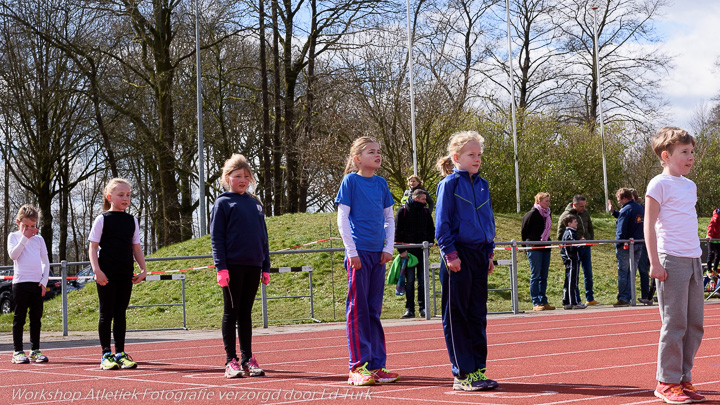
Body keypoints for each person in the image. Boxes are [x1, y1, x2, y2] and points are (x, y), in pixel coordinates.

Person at [644, 127, 705, 403]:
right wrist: (655, 262)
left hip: (694, 259)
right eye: (684, 152)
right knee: (674, 323)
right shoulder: (658, 184)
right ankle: (666, 381)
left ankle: (683, 377)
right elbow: (649, 224)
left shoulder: (690, 186)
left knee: (695, 324)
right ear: (666, 156)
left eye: (692, 151)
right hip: (671, 259)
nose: (691, 157)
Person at [435, 131, 498, 392]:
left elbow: (488, 220)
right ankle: (462, 373)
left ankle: (477, 370)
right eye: (471, 154)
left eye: (479, 154)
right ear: (456, 157)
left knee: (477, 314)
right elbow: (442, 224)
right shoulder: (449, 185)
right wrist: (450, 254)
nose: (477, 159)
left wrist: (490, 253)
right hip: (457, 255)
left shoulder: (483, 185)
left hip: (479, 255)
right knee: (457, 315)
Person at [335, 137, 399, 386]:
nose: (377, 155)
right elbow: (343, 218)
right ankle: (357, 367)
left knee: (374, 310)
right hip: (359, 254)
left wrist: (388, 247)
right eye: (371, 152)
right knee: (358, 310)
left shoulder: (382, 184)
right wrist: (351, 251)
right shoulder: (350, 181)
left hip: (378, 255)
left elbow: (389, 219)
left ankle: (376, 365)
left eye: (379, 151)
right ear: (357, 159)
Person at [211, 154, 270, 379]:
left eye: (247, 176)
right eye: (238, 176)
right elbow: (217, 238)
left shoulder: (256, 204)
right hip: (232, 266)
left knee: (246, 314)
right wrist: (221, 268)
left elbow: (263, 237)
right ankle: (231, 361)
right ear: (227, 178)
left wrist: (266, 265)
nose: (243, 180)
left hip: (253, 265)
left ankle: (248, 359)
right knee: (231, 312)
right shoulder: (223, 203)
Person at [88, 178, 147, 370]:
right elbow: (92, 247)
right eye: (121, 195)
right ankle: (106, 354)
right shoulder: (102, 219)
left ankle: (120, 353)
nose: (125, 198)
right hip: (106, 274)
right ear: (109, 197)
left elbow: (136, 247)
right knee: (106, 314)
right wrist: (97, 271)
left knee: (120, 314)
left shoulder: (132, 221)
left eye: (128, 195)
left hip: (125, 274)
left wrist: (143, 269)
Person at [7, 205, 50, 364]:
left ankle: (35, 350)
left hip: (36, 284)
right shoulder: (13, 236)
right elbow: (13, 255)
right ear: (18, 222)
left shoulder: (39, 240)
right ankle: (17, 351)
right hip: (20, 283)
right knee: (20, 318)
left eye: (33, 226)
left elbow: (45, 262)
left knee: (36, 318)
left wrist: (43, 281)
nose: (30, 229)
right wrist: (24, 237)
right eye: (26, 226)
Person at [395, 188, 435, 318]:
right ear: (416, 198)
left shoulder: (425, 212)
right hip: (408, 253)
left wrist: (429, 244)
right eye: (423, 199)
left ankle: (423, 308)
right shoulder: (403, 211)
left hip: (422, 251)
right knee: (410, 281)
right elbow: (397, 231)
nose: (425, 202)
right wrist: (401, 250)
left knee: (422, 281)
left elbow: (431, 229)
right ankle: (409, 309)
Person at [557, 195, 601, 306]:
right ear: (574, 205)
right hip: (574, 250)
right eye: (581, 206)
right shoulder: (567, 216)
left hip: (586, 247)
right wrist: (574, 244)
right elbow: (561, 234)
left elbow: (590, 228)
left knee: (588, 273)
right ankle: (575, 299)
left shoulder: (585, 213)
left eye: (584, 206)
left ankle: (590, 298)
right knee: (574, 275)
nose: (583, 208)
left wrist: (589, 240)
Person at [521, 192, 555, 311]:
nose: (548, 203)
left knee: (544, 275)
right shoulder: (531, 214)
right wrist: (526, 247)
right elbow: (524, 231)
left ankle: (543, 300)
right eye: (546, 201)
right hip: (534, 247)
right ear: (539, 201)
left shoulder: (548, 213)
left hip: (545, 246)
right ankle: (535, 302)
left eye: (549, 201)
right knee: (535, 275)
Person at [612, 188, 644, 307]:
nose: (619, 202)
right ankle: (631, 296)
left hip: (626, 244)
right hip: (638, 242)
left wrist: (618, 243)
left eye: (619, 200)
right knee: (632, 271)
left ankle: (624, 298)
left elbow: (621, 229)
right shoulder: (640, 208)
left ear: (624, 198)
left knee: (623, 271)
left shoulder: (626, 210)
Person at [560, 215, 586, 310]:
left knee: (569, 280)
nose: (577, 223)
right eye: (575, 222)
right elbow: (571, 246)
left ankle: (566, 301)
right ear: (569, 223)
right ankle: (574, 302)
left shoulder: (571, 232)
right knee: (572, 281)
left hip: (572, 259)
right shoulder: (569, 232)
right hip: (572, 260)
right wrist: (581, 243)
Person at [706, 208, 720, 289]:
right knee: (711, 253)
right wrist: (710, 235)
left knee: (718, 254)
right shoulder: (716, 216)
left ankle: (714, 269)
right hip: (712, 237)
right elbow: (711, 225)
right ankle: (709, 270)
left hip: (718, 238)